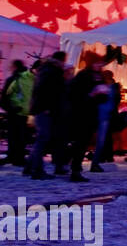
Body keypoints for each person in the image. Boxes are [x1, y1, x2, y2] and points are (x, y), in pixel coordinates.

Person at [24, 51, 68, 180]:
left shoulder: (48, 70)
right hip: (45, 110)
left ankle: (29, 167)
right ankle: (37, 170)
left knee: (42, 139)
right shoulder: (51, 72)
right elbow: (47, 92)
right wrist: (47, 108)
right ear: (60, 60)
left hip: (44, 109)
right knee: (42, 139)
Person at [65, 56, 109, 181]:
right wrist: (91, 95)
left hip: (92, 113)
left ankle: (71, 165)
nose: (100, 65)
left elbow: (103, 98)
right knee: (80, 142)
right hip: (80, 114)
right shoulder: (83, 75)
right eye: (98, 63)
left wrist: (103, 94)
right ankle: (75, 169)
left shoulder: (99, 76)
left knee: (83, 142)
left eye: (101, 63)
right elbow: (74, 95)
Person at [3, 61, 34, 165]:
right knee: (22, 136)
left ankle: (13, 156)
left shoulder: (14, 79)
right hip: (26, 112)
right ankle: (18, 157)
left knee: (14, 135)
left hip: (15, 111)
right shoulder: (30, 79)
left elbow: (6, 95)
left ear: (15, 67)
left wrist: (9, 108)